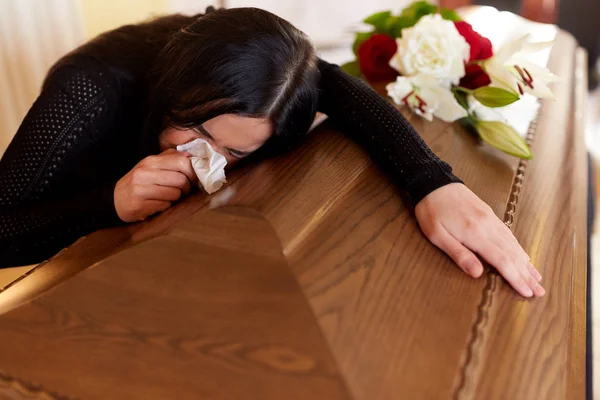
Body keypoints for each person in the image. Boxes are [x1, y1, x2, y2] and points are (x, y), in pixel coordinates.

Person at [0, 7, 544, 297]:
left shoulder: (276, 84)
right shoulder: (87, 95)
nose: (201, 160)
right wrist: (108, 202)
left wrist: (434, 183)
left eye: (232, 152)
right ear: (174, 96)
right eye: (192, 131)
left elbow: (340, 90)